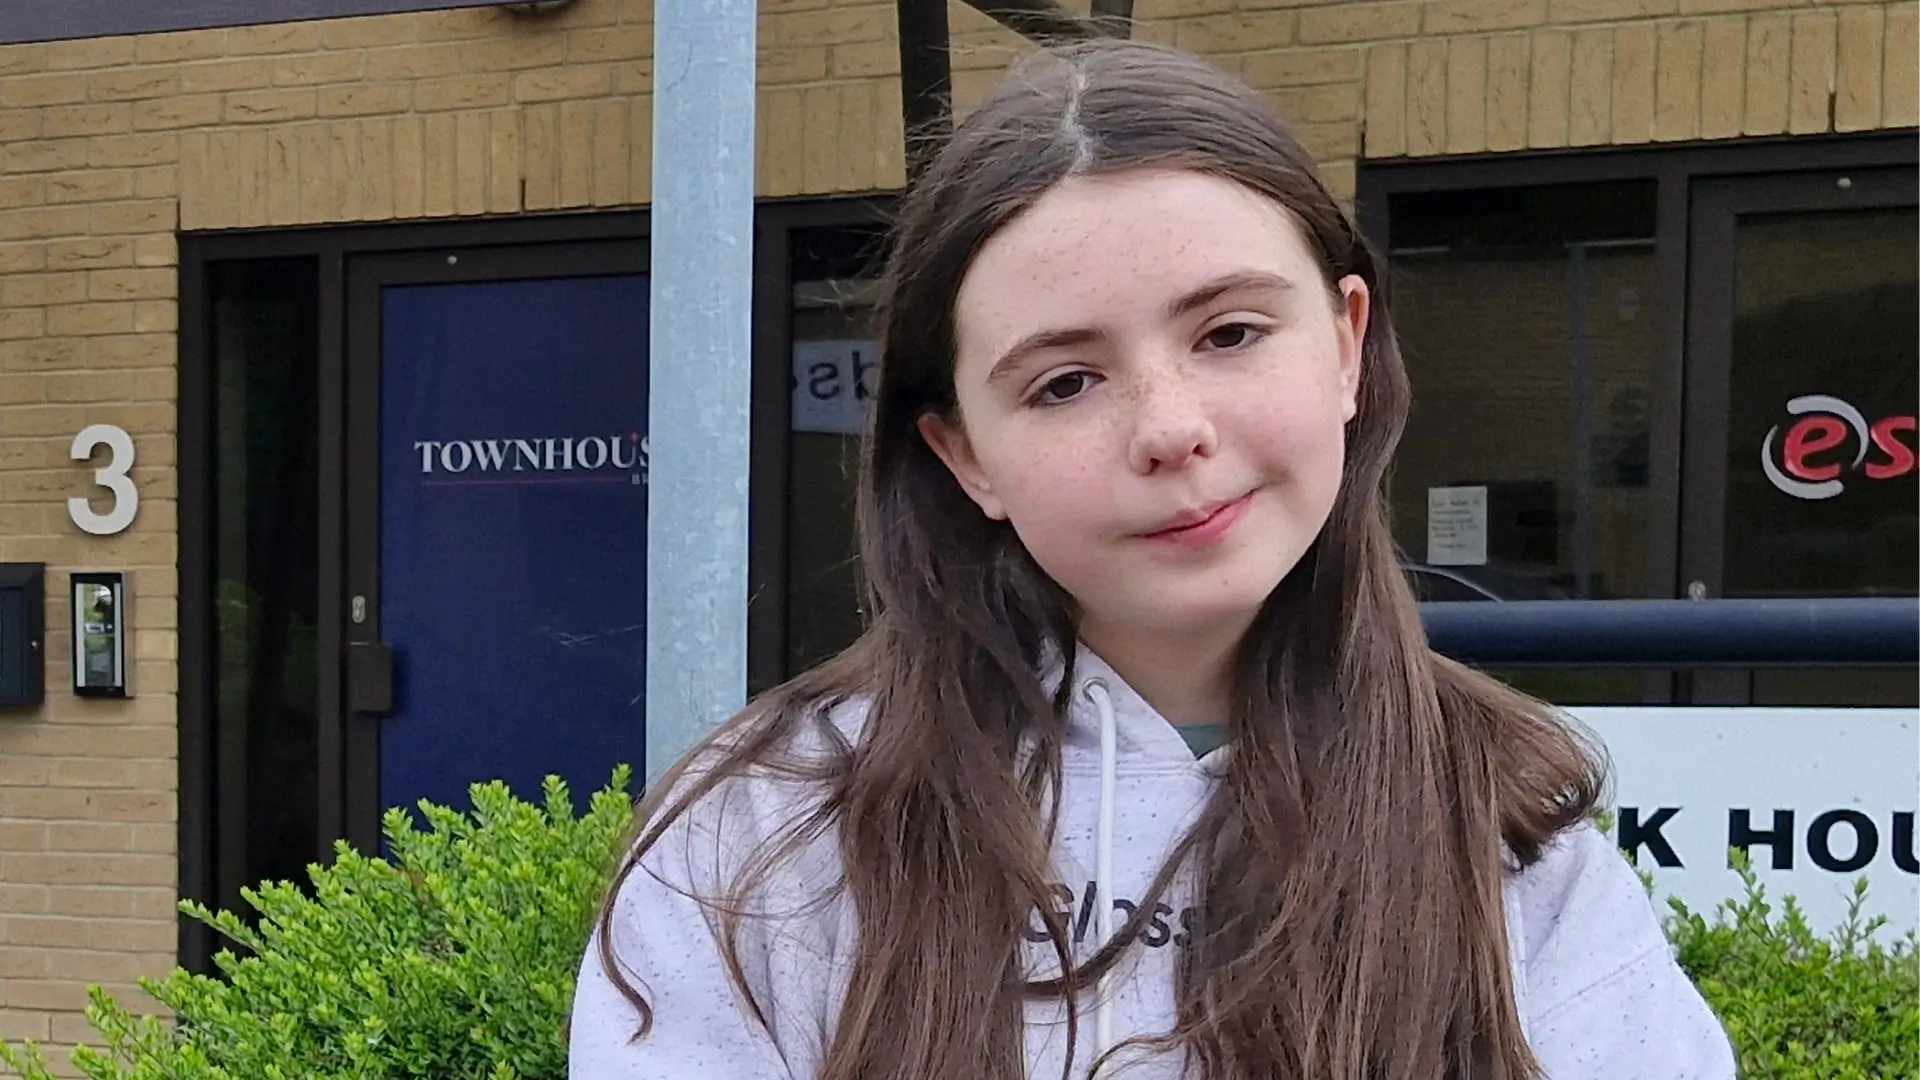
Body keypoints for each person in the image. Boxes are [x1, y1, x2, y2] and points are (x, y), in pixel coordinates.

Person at [568, 38, 1737, 1080]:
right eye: (1065, 382)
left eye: (1230, 332)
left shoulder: (1508, 830)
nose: (1170, 429)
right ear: (965, 455)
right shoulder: (764, 836)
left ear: (1346, 345)